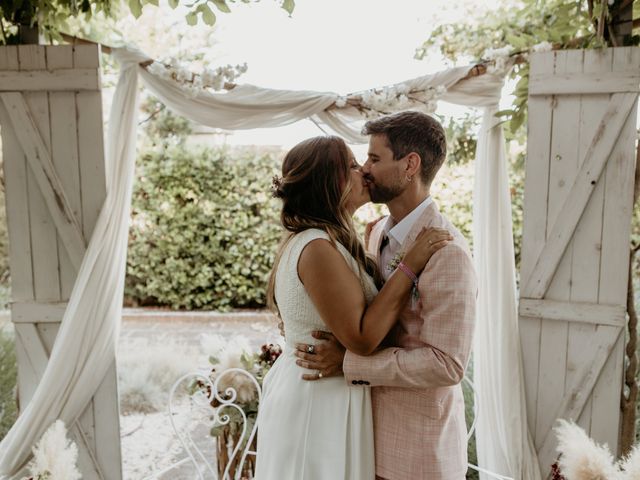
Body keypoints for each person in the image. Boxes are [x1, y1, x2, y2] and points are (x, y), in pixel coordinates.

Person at [253, 135, 452, 479]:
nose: (363, 171)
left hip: (330, 393)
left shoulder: (329, 241)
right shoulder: (316, 247)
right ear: (330, 182)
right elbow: (362, 338)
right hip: (317, 400)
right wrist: (410, 264)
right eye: (352, 165)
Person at [294, 111, 477, 480]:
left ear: (410, 165)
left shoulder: (447, 252)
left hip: (415, 455)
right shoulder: (376, 233)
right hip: (360, 440)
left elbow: (447, 364)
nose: (364, 169)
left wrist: (348, 363)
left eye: (375, 159)